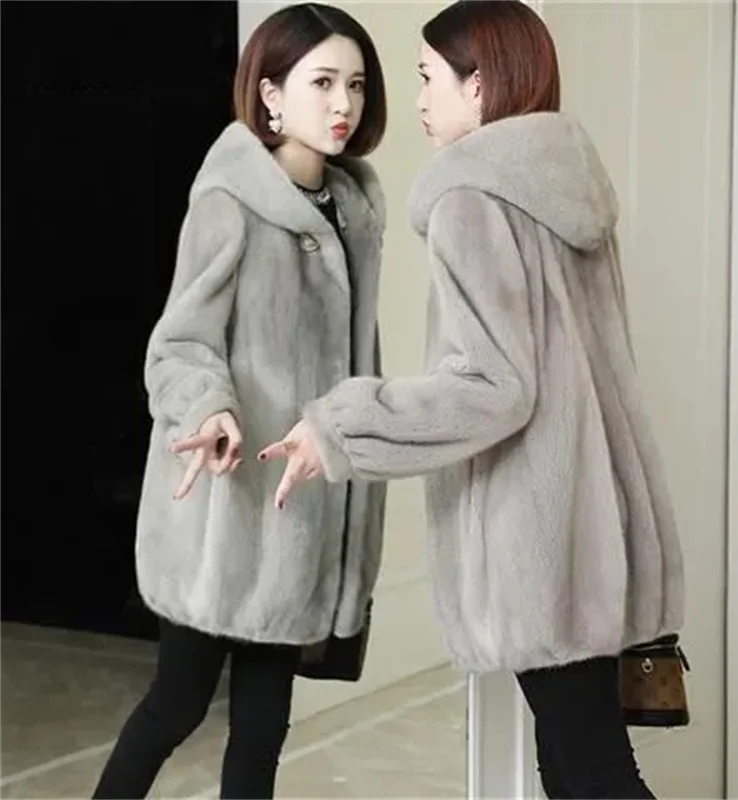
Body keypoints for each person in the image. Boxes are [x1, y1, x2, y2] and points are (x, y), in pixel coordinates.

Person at [258, 2, 684, 798]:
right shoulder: (566, 186)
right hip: (598, 528)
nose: (419, 99)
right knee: (577, 765)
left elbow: (492, 386)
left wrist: (339, 427)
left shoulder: (470, 199)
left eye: (429, 78)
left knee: (592, 772)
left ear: (479, 85)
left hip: (536, 536)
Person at [93, 4, 387, 798]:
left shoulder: (354, 210)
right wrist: (209, 409)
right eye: (321, 82)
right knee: (177, 704)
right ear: (270, 95)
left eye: (356, 84)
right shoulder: (231, 199)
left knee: (263, 730)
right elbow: (180, 342)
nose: (343, 103)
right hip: (226, 513)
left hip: (300, 509)